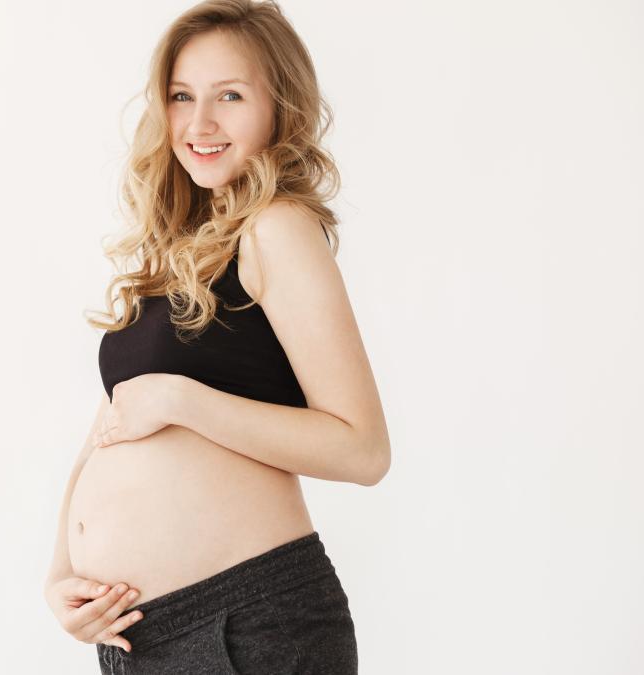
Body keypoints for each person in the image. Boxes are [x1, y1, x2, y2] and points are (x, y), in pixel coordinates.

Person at [42, 1, 390, 672]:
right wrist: (60, 573)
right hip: (136, 639)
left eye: (229, 95)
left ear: (279, 108)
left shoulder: (276, 227)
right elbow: (112, 426)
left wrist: (182, 399)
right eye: (181, 96)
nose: (199, 123)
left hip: (247, 625)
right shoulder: (176, 249)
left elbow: (364, 448)